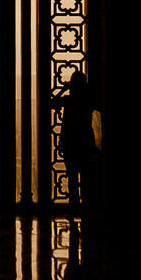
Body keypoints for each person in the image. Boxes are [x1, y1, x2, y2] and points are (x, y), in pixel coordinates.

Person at [51, 71, 96, 208]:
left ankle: (74, 207)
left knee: (72, 178)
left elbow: (52, 103)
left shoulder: (69, 100)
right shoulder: (88, 100)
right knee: (86, 177)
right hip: (85, 141)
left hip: (70, 142)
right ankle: (86, 207)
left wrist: (64, 88)